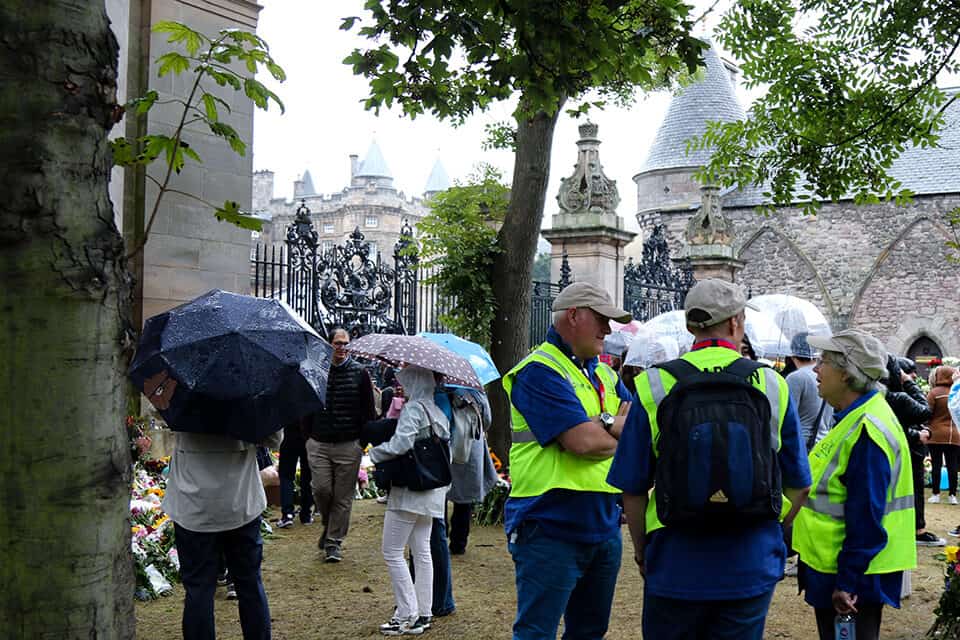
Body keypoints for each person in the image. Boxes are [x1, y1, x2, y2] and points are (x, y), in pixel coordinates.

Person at [608, 278, 811, 640]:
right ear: (736, 323)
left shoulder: (655, 385)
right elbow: (799, 484)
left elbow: (633, 489)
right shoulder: (772, 384)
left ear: (689, 326)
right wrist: (770, 528)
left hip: (674, 561)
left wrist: (643, 552)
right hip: (750, 561)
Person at [502, 281, 633, 640]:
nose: (609, 330)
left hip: (604, 525)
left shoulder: (603, 372)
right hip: (549, 525)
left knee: (590, 632)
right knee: (536, 633)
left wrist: (603, 424)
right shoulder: (539, 371)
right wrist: (614, 424)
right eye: (602, 320)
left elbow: (639, 431)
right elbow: (582, 442)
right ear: (573, 316)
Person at [793, 330, 917, 640]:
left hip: (851, 576)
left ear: (847, 374)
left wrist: (847, 581)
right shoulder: (857, 417)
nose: (816, 369)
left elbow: (867, 515)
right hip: (841, 567)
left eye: (824, 362)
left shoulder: (866, 428)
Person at [163, 429, 282, 640]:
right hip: (241, 502)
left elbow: (165, 414)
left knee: (199, 590)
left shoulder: (186, 397)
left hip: (193, 505)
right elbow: (273, 439)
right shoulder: (249, 395)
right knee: (249, 585)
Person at [370, 365, 451, 636]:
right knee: (422, 551)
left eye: (405, 381)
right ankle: (423, 613)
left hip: (410, 492)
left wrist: (376, 454)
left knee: (392, 551)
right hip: (432, 492)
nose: (400, 385)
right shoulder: (437, 411)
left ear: (417, 382)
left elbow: (402, 444)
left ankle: (406, 613)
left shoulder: (414, 409)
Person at [304, 327, 377, 562]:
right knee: (321, 489)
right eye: (338, 343)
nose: (342, 348)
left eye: (345, 344)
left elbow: (369, 411)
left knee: (343, 497)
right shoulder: (317, 370)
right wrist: (308, 437)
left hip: (349, 444)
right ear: (329, 345)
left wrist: (362, 443)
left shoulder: (360, 373)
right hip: (319, 442)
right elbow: (305, 408)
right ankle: (328, 523)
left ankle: (333, 542)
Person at [883, 355, 939, 546]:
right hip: (907, 448)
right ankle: (916, 528)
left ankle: (915, 526)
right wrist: (908, 383)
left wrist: (921, 431)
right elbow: (924, 410)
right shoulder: (898, 396)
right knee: (911, 489)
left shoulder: (887, 395)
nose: (913, 375)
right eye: (909, 372)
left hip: (906, 446)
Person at [786, 332, 834, 451]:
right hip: (822, 444)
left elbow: (787, 417)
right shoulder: (828, 375)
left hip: (800, 446)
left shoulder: (796, 378)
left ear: (793, 355)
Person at [927, 365, 960, 504]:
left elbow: (927, 413)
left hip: (936, 435)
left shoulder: (934, 393)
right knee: (953, 465)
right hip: (955, 435)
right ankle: (952, 495)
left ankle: (936, 494)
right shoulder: (956, 393)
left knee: (936, 465)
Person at [275, 421, 314, 528]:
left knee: (286, 477)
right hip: (308, 438)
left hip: (289, 437)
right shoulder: (310, 404)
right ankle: (306, 513)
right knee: (307, 477)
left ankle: (287, 514)